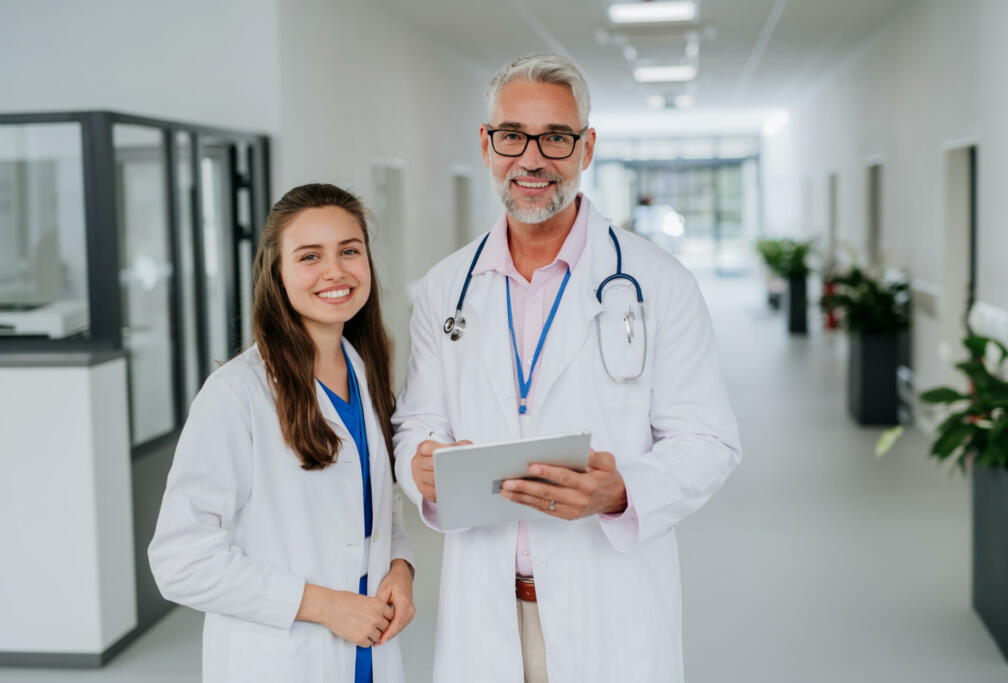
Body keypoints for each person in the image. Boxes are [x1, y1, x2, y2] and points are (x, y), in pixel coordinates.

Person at [392, 54, 742, 682]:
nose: (532, 159)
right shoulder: (447, 288)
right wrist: (420, 464)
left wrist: (624, 490)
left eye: (555, 137)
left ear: (587, 148)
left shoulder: (658, 283)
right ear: (486, 143)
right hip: (487, 606)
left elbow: (710, 440)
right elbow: (415, 422)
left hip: (608, 604)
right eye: (512, 136)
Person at [149, 183, 415, 683]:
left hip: (368, 654)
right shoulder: (236, 395)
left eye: (349, 251)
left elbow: (377, 508)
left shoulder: (367, 372)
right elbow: (179, 560)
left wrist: (400, 566)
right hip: (282, 658)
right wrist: (323, 606)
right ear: (278, 274)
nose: (334, 271)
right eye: (310, 256)